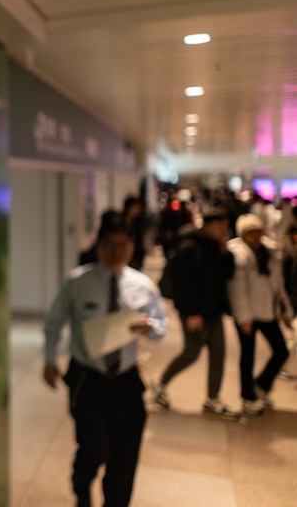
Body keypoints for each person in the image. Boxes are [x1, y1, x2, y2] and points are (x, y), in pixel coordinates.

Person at [44, 212, 167, 507]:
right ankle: (81, 484)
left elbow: (161, 328)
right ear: (99, 245)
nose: (117, 251)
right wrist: (50, 360)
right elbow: (55, 322)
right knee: (94, 448)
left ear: (132, 247)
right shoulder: (79, 281)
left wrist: (150, 327)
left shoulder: (142, 285)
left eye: (124, 245)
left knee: (125, 457)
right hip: (88, 378)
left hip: (126, 379)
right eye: (110, 244)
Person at [150, 208, 237, 418]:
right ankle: (160, 384)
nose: (223, 231)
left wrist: (226, 254)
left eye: (225, 228)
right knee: (191, 353)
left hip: (214, 311)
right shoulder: (190, 247)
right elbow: (183, 285)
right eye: (219, 227)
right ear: (206, 225)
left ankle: (212, 399)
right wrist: (191, 313)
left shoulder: (217, 247)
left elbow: (226, 275)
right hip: (195, 312)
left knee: (218, 355)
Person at [227, 214, 293, 415]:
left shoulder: (270, 252)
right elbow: (237, 290)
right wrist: (244, 318)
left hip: (267, 311)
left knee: (281, 350)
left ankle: (261, 385)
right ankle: (247, 397)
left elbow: (278, 285)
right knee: (247, 356)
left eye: (258, 231)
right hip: (247, 314)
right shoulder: (238, 255)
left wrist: (284, 310)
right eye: (251, 232)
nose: (256, 236)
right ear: (243, 234)